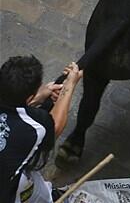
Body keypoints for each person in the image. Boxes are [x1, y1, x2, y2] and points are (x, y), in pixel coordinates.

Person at [0, 56, 83, 203]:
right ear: (29, 97)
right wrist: (70, 84)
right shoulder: (34, 127)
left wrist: (38, 98)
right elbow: (55, 126)